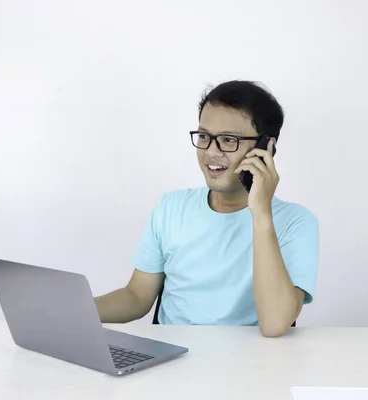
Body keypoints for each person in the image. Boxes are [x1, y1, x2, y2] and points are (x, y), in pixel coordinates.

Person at [95, 80, 319, 337]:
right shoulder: (171, 207)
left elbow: (275, 324)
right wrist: (70, 311)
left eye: (228, 140)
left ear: (266, 147)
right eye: (204, 137)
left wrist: (261, 213)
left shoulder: (296, 223)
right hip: (171, 363)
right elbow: (136, 297)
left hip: (252, 368)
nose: (211, 152)